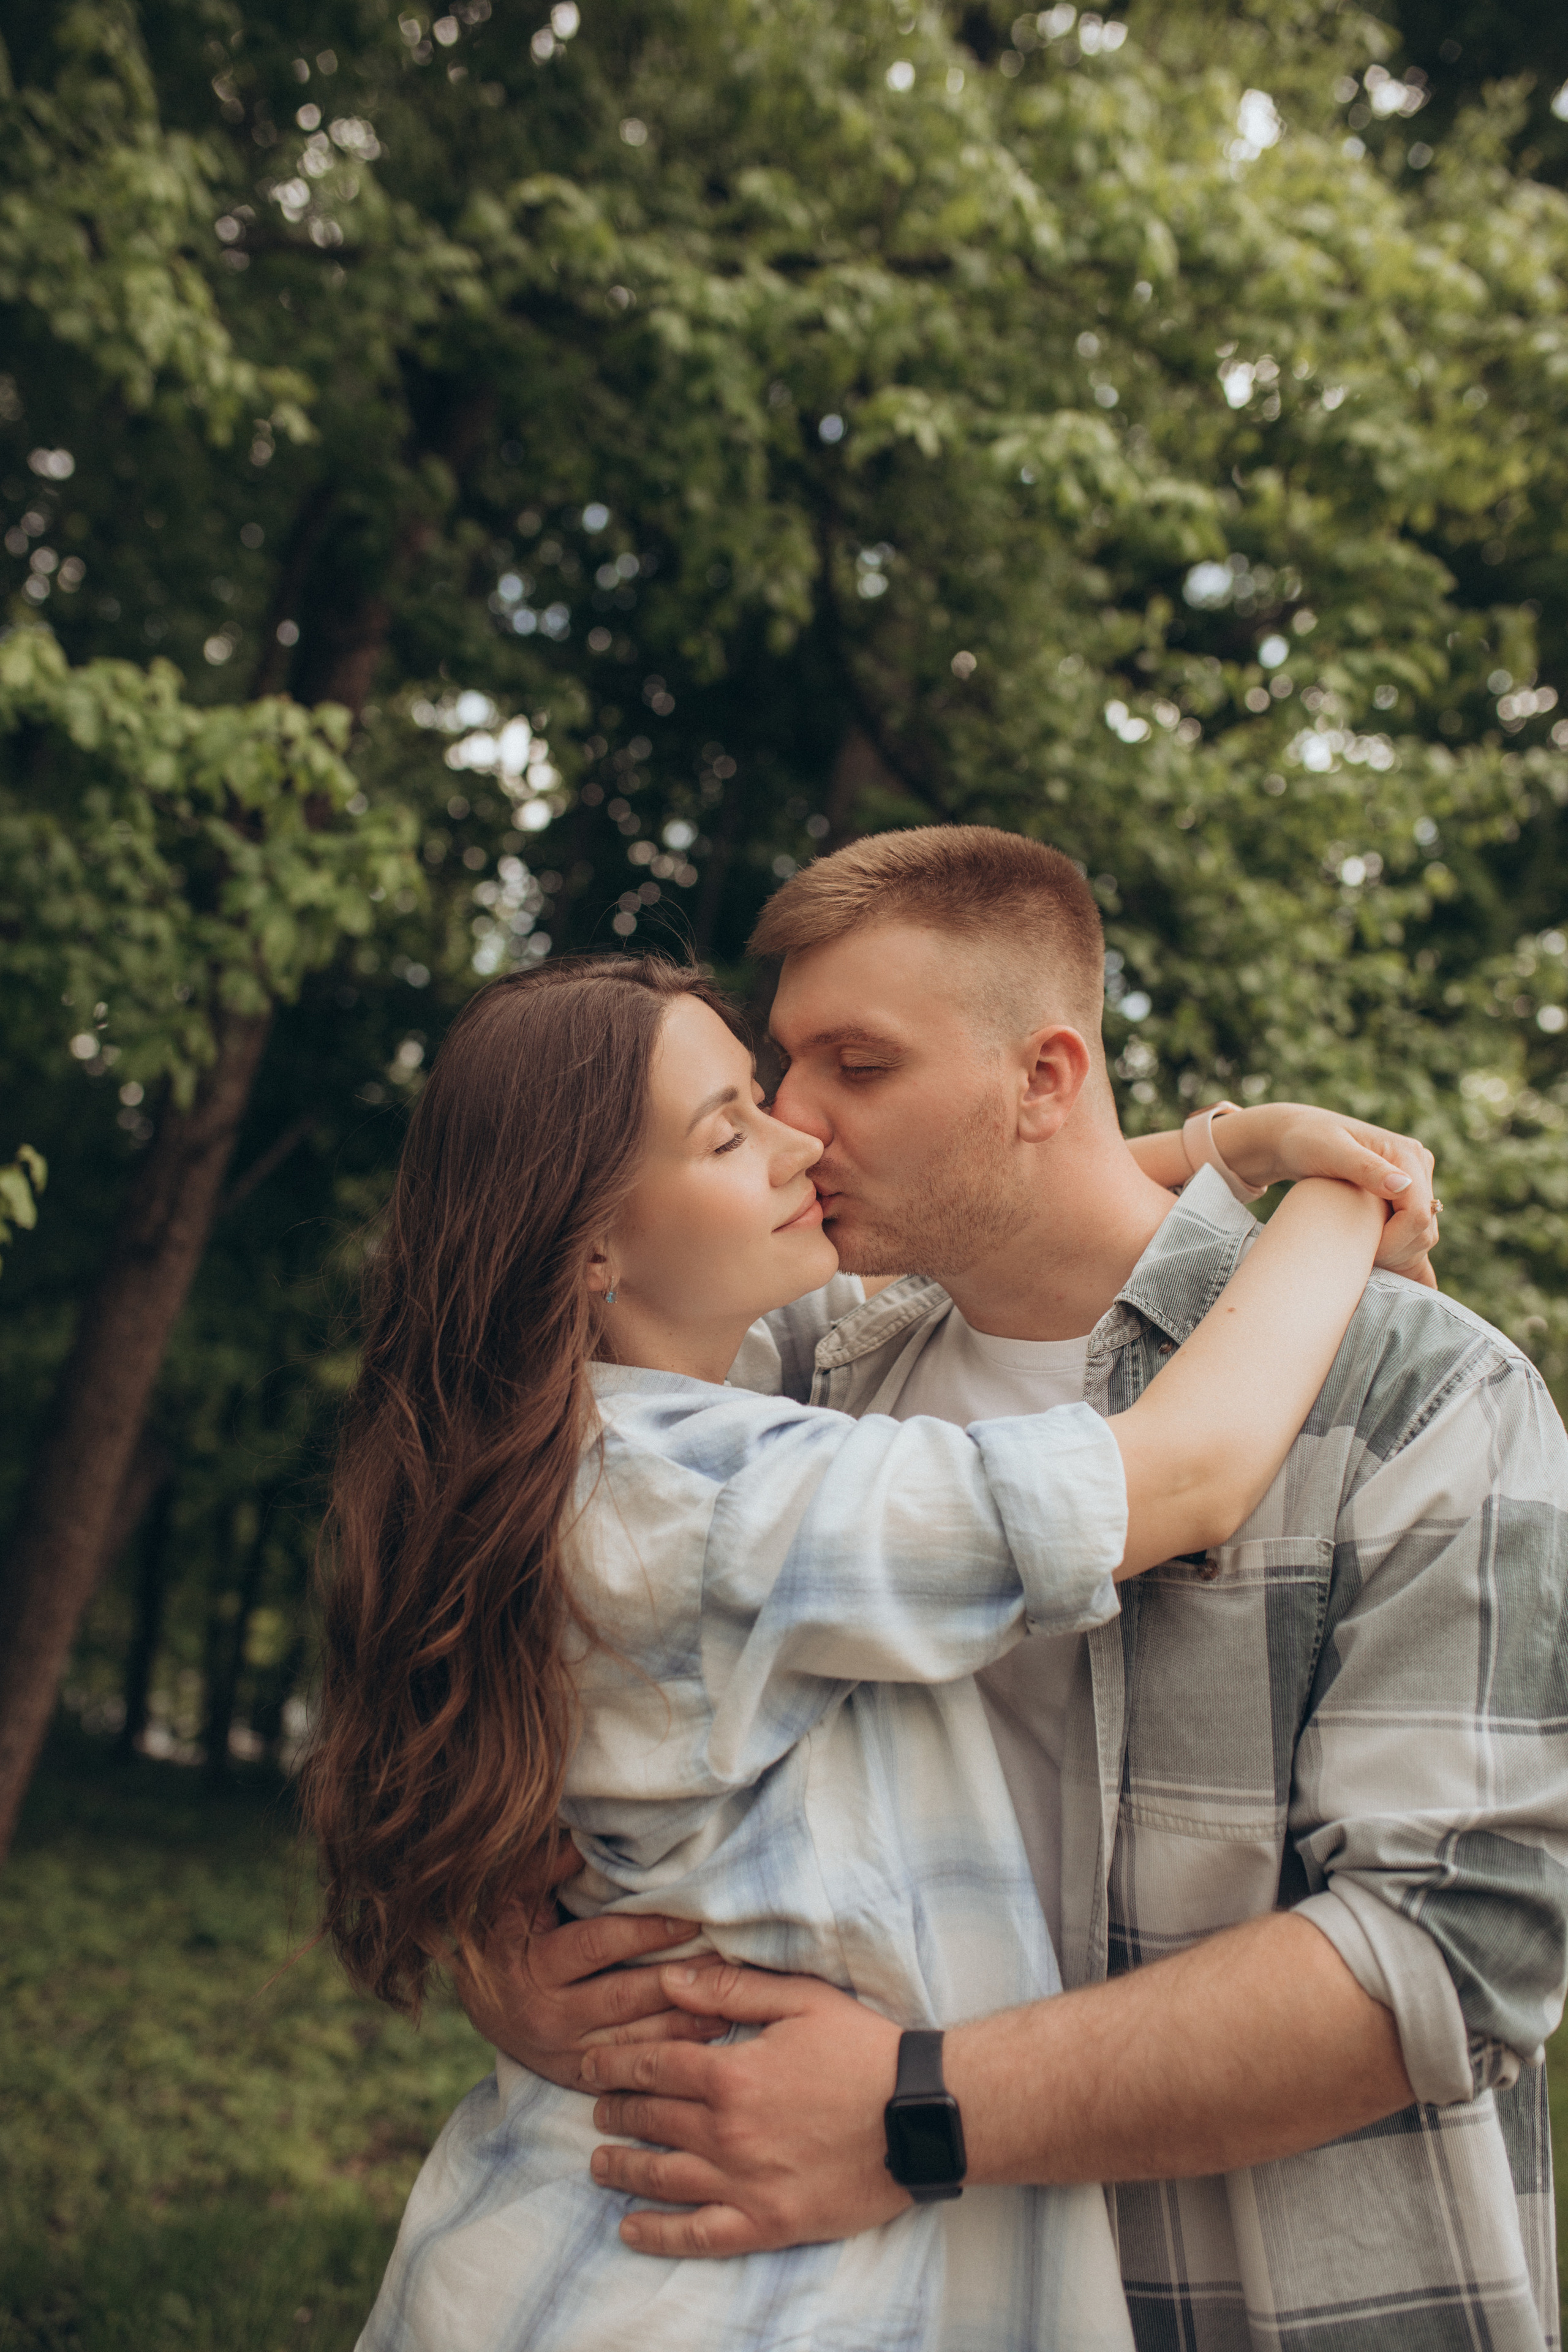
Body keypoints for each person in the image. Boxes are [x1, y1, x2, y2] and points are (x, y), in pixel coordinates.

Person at [485, 830, 1568, 2352]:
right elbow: (460, 1637)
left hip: (1272, 2301)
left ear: (1045, 1079)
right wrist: (505, 1958)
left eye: (855, 1065)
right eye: (778, 1068)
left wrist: (910, 2108)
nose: (795, 1122)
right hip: (838, 2297)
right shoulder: (784, 1378)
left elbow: (1452, 1956)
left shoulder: (1413, 1400)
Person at [302, 949, 1410, 2352]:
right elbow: (1186, 1473)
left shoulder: (579, 1455)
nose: (799, 1139)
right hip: (716, 2294)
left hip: (599, 2245)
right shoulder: (728, 1500)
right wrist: (1338, 1194)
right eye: (729, 1131)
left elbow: (1011, 1203)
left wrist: (1226, 1147)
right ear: (591, 1247)